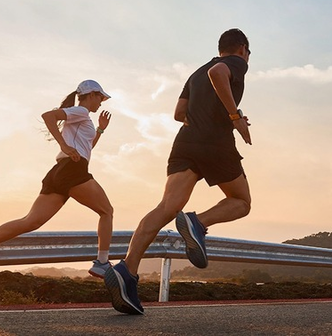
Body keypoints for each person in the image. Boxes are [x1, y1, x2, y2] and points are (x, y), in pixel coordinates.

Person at [105, 28, 252, 315]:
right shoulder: (235, 63)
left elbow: (178, 112)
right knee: (241, 202)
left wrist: (219, 113)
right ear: (242, 48)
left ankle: (127, 269)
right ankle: (198, 222)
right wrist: (234, 117)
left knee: (167, 206)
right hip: (216, 143)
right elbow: (219, 74)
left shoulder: (196, 72)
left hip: (186, 142)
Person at [0, 80, 114, 278]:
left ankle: (102, 262)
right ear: (92, 95)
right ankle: (102, 263)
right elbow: (48, 116)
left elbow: (86, 149)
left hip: (59, 172)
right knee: (107, 211)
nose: (101, 103)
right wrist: (64, 146)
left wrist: (100, 130)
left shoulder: (81, 117)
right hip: (73, 170)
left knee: (30, 222)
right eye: (100, 98)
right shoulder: (81, 111)